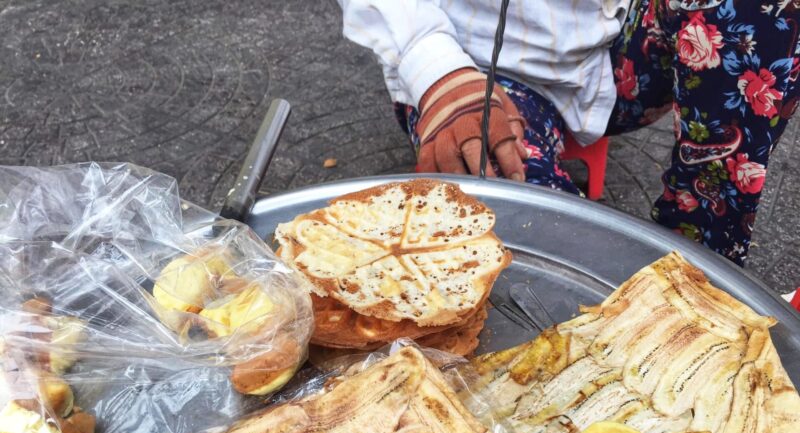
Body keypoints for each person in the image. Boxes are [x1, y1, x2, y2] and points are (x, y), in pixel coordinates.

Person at [337, 0, 800, 266]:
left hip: (617, 42)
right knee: (521, 253)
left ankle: (697, 260)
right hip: (478, 71)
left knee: (764, 10)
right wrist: (436, 70)